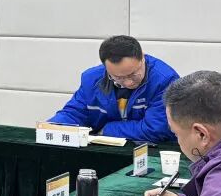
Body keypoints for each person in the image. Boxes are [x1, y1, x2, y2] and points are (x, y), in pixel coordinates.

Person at [49, 35, 178, 143]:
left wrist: (106, 130)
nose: (128, 82)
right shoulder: (92, 79)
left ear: (142, 57)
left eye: (133, 74)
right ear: (106, 68)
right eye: (119, 77)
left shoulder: (165, 80)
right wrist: (52, 128)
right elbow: (74, 113)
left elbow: (156, 129)